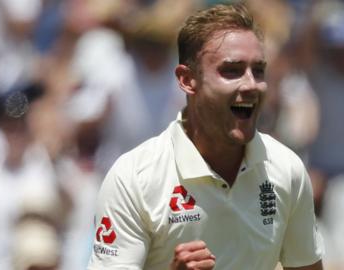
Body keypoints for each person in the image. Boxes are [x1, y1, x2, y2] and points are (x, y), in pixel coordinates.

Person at [88, 3, 324, 270]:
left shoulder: (287, 169)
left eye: (258, 71)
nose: (251, 85)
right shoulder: (133, 178)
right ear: (187, 80)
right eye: (231, 70)